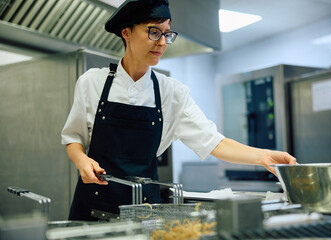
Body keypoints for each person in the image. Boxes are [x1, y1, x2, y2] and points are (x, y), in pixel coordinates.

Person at [61, 0, 297, 221]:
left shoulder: (171, 92)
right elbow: (73, 139)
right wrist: (82, 160)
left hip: (144, 213)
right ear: (127, 33)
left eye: (167, 34)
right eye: (154, 32)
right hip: (92, 211)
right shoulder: (92, 82)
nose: (162, 42)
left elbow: (214, 142)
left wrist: (262, 156)